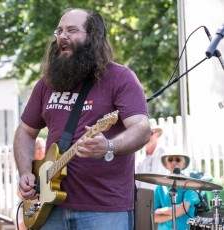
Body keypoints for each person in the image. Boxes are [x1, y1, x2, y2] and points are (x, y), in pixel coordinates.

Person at [13, 8, 151, 230]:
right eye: (59, 30)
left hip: (104, 209)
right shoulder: (46, 84)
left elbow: (142, 128)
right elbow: (25, 132)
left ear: (93, 37)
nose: (62, 36)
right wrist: (26, 173)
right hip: (49, 208)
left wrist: (109, 146)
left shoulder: (120, 78)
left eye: (72, 30)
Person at [154, 149, 200, 230]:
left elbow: (182, 209)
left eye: (178, 159)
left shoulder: (191, 184)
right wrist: (175, 213)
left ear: (184, 163)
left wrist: (160, 211)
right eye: (170, 159)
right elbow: (153, 217)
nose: (174, 162)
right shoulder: (159, 186)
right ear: (166, 163)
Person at [136, 122, 167, 190]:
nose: (148, 137)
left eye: (151, 133)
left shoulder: (164, 154)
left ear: (157, 134)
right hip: (143, 197)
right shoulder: (140, 158)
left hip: (159, 198)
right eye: (144, 134)